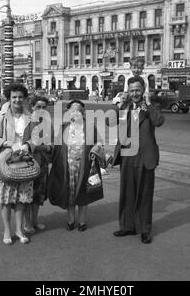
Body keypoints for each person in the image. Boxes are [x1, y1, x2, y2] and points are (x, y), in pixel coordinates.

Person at [0, 83, 35, 245]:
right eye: (14, 97)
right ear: (9, 98)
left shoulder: (30, 117)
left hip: (23, 162)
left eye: (20, 97)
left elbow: (36, 138)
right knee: (6, 199)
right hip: (5, 162)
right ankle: (7, 230)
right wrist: (9, 144)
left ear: (24, 99)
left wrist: (28, 145)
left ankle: (19, 230)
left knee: (21, 199)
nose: (17, 100)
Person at [111, 76, 164, 244]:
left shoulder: (151, 107)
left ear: (143, 91)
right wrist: (119, 105)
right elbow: (109, 121)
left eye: (138, 90)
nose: (135, 93)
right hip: (127, 155)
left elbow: (159, 121)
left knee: (144, 194)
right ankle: (127, 226)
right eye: (132, 90)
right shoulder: (124, 106)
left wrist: (148, 104)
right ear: (128, 91)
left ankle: (144, 230)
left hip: (145, 156)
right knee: (127, 192)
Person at [48, 100, 104, 232]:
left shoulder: (90, 127)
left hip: (84, 165)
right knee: (69, 194)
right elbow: (56, 147)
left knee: (83, 193)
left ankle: (82, 222)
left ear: (83, 112)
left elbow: (99, 142)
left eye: (78, 110)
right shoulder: (63, 127)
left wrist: (95, 149)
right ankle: (71, 220)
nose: (75, 113)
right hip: (67, 166)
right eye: (72, 110)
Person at [23, 96, 52, 234]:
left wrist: (45, 147)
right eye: (38, 107)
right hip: (29, 164)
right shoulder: (28, 123)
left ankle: (35, 220)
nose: (41, 110)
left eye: (44, 107)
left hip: (43, 164)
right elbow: (25, 145)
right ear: (32, 107)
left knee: (39, 195)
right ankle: (27, 223)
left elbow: (52, 146)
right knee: (28, 195)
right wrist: (42, 146)